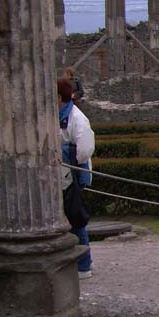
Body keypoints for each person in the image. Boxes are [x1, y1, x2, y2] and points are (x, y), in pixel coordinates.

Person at [58, 78, 95, 280]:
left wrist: (62, 151)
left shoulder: (77, 118)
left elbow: (84, 150)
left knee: (77, 220)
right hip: (60, 175)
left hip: (74, 174)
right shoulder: (57, 115)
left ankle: (84, 265)